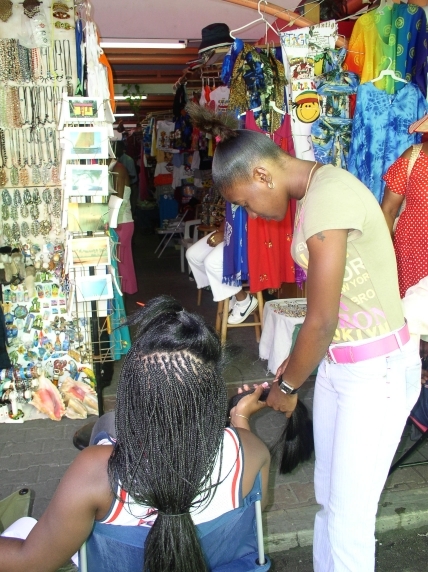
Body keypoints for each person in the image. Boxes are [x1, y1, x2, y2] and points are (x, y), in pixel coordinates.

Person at [187, 102, 422, 572]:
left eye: (244, 202)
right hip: (344, 366)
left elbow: (321, 319)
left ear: (262, 174)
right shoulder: (318, 193)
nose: (249, 212)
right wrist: (293, 368)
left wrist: (290, 385)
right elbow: (327, 317)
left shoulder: (328, 197)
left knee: (349, 522)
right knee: (330, 506)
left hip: (375, 374)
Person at [0, 295, 269, 572]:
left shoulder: (97, 472)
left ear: (130, 396)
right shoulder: (251, 452)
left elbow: (28, 562)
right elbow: (249, 513)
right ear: (212, 395)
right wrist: (240, 418)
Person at [186, 221, 259, 324]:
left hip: (249, 235)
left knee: (212, 262)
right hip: (231, 228)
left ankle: (244, 300)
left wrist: (226, 235)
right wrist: (222, 230)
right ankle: (228, 291)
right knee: (193, 255)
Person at [381, 141, 428, 299]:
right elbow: (388, 210)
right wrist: (385, 255)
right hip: (412, 258)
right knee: (412, 308)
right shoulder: (413, 157)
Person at [108, 157, 138, 295]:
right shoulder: (114, 169)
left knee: (121, 266)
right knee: (120, 264)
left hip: (121, 222)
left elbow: (117, 198)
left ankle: (122, 299)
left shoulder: (118, 169)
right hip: (119, 221)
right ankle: (122, 299)